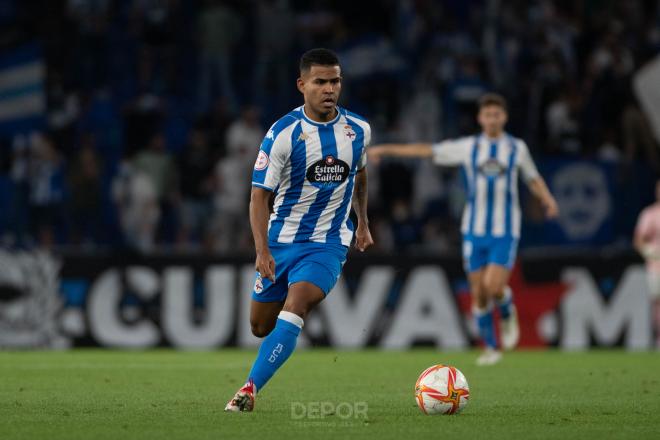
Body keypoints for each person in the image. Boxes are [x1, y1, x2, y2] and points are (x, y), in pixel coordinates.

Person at [225, 48, 373, 411]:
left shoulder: (358, 130)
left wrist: (363, 223)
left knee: (298, 305)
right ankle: (276, 343)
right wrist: (262, 250)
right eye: (320, 81)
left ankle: (249, 389)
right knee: (260, 327)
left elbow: (360, 174)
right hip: (281, 242)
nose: (329, 89)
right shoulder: (282, 133)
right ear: (301, 84)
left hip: (328, 243)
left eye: (334, 81)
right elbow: (259, 197)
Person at [369, 93, 559, 365]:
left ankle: (506, 310)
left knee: (494, 286)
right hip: (474, 229)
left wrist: (547, 200)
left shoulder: (516, 148)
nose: (492, 119)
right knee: (478, 292)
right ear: (481, 118)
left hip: (504, 230)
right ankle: (491, 348)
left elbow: (533, 178)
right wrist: (385, 150)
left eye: (497, 114)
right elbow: (426, 150)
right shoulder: (468, 147)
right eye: (488, 114)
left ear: (503, 117)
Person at [634, 180, 660, 347]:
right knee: (657, 303)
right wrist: (649, 252)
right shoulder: (650, 214)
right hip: (656, 267)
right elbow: (638, 240)